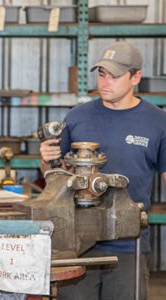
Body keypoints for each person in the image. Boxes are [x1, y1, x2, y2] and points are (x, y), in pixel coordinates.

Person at [40, 41, 166, 300]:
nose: (105, 82)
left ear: (136, 77)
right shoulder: (77, 116)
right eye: (101, 74)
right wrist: (46, 159)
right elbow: (54, 174)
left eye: (115, 76)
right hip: (77, 244)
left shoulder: (157, 122)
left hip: (129, 245)